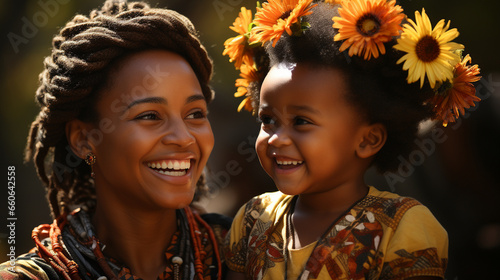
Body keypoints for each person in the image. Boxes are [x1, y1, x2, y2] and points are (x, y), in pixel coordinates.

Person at [222, 0, 481, 279]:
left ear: (368, 139)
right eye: (268, 120)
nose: (277, 139)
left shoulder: (404, 228)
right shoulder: (251, 220)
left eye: (301, 122)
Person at [0, 0, 231, 279]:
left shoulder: (248, 255)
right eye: (149, 116)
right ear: (84, 139)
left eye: (195, 113)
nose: (183, 138)